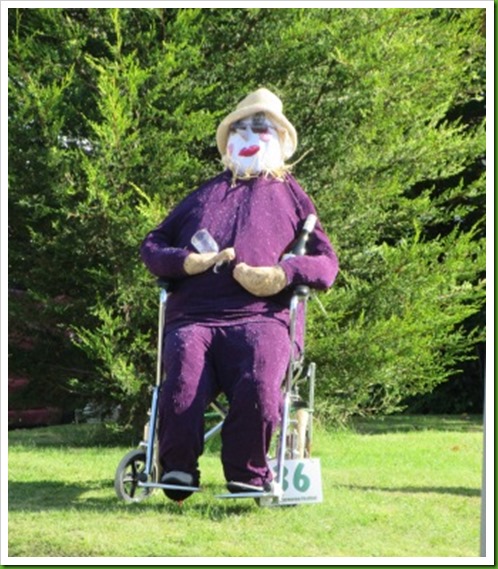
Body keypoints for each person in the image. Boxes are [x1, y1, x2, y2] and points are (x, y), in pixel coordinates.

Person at [140, 88, 339, 502]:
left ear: (281, 140)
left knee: (260, 377)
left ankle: (248, 471)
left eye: (260, 127)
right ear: (228, 140)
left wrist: (282, 274)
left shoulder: (293, 196)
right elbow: (152, 244)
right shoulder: (202, 194)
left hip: (263, 317)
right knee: (183, 377)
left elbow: (326, 264)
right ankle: (176, 468)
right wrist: (186, 262)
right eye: (240, 128)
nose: (249, 135)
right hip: (194, 317)